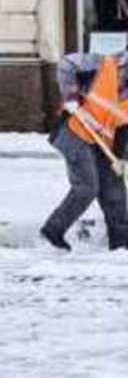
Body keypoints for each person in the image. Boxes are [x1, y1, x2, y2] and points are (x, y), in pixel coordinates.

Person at [40, 50, 128, 251]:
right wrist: (71, 95)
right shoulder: (103, 64)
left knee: (115, 191)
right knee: (87, 187)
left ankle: (121, 242)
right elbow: (67, 63)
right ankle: (53, 231)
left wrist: (121, 158)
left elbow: (124, 127)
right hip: (75, 132)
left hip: (104, 143)